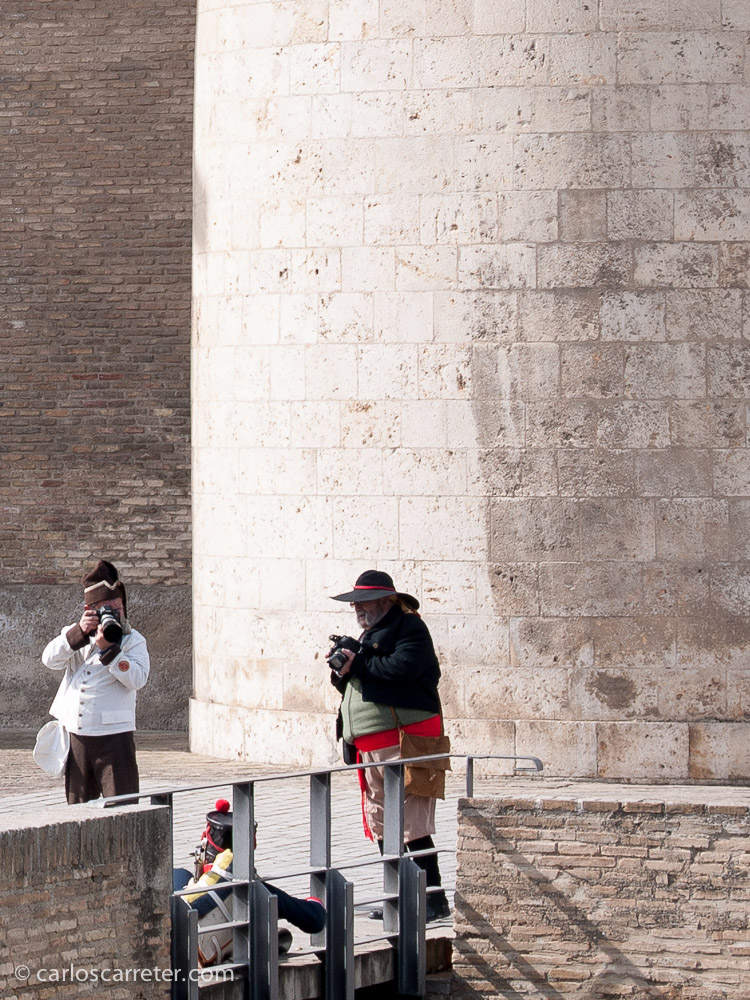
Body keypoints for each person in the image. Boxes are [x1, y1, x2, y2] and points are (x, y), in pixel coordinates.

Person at [328, 569, 450, 922]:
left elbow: (404, 668)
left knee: (413, 824)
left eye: (364, 603)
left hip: (408, 742)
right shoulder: (369, 635)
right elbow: (361, 685)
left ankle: (433, 900)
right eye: (356, 604)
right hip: (373, 748)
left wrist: (359, 662)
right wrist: (343, 670)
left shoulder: (410, 628)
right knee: (382, 824)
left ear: (386, 601)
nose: (358, 610)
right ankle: (398, 899)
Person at [41, 559, 150, 804]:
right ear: (89, 609)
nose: (112, 613)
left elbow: (138, 679)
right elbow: (49, 660)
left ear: (123, 606)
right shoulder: (76, 635)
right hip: (77, 734)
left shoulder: (133, 640)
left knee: (123, 806)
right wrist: (77, 634)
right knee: (78, 806)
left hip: (115, 735)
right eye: (105, 608)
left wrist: (110, 652)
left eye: (116, 607)